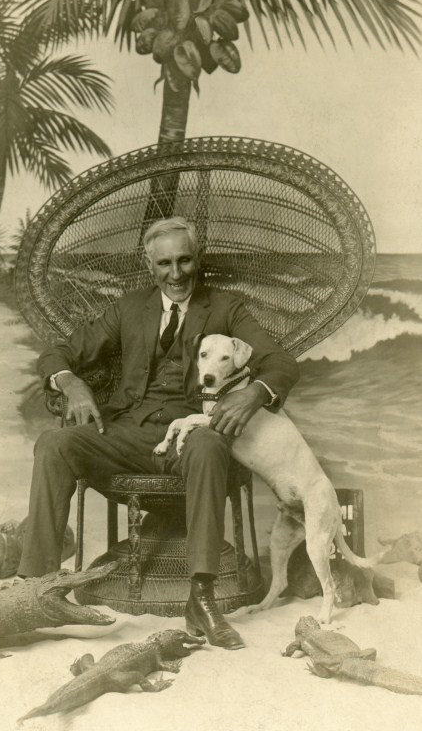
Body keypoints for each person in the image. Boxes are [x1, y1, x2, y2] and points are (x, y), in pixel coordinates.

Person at [18, 217, 299, 650]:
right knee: (53, 444)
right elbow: (59, 352)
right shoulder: (128, 308)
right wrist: (69, 381)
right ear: (149, 265)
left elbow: (280, 362)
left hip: (190, 436)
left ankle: (201, 598)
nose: (176, 272)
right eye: (164, 262)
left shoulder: (227, 309)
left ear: (197, 259)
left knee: (208, 444)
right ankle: (35, 589)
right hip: (127, 431)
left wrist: (254, 394)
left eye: (185, 260)